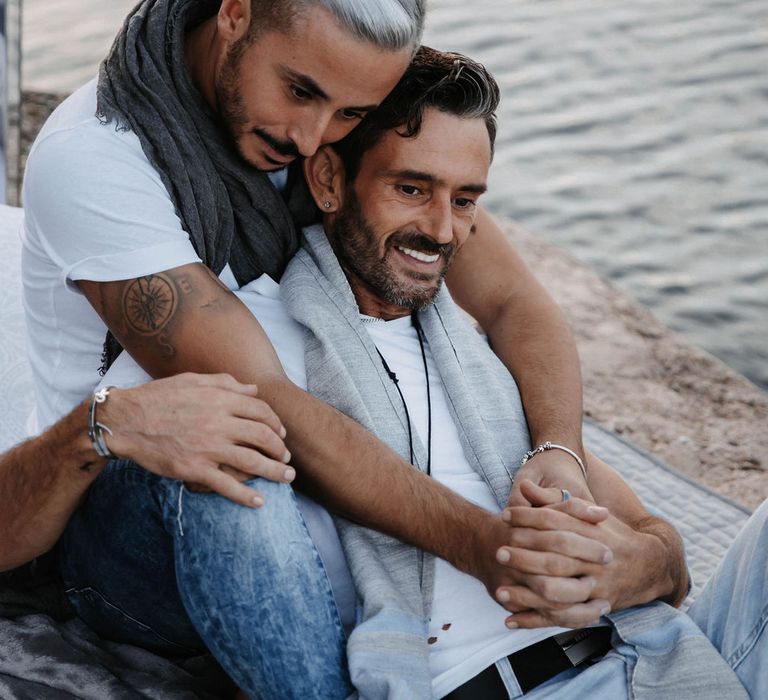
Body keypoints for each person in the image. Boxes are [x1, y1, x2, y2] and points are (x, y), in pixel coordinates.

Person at [86, 48, 765, 699]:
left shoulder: (476, 365)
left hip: (655, 662)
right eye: (412, 188)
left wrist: (639, 567)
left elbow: (665, 559)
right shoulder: (253, 352)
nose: (441, 230)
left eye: (465, 200)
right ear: (327, 179)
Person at [16, 0, 591, 570]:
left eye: (352, 115)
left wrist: (561, 453)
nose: (315, 140)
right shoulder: (97, 161)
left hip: (339, 442)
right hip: (129, 499)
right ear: (235, 13)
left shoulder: (342, 76)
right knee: (245, 488)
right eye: (300, 92)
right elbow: (262, 394)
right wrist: (491, 550)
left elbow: (511, 299)